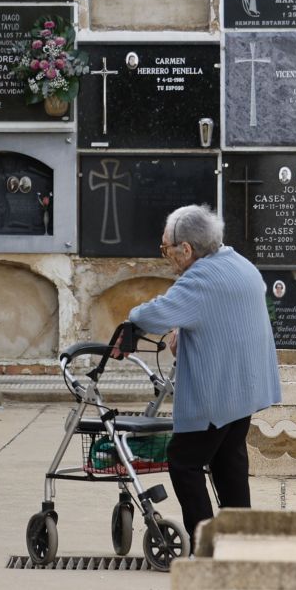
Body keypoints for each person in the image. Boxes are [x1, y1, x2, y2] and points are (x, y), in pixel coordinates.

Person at [117, 205, 281, 548]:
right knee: (227, 461)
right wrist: (188, 328)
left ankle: (206, 543)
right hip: (245, 389)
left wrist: (131, 318)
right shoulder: (238, 263)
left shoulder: (200, 278)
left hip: (216, 393)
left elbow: (155, 314)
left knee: (185, 463)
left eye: (166, 249)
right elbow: (216, 315)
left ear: (186, 249)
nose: (167, 257)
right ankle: (242, 537)